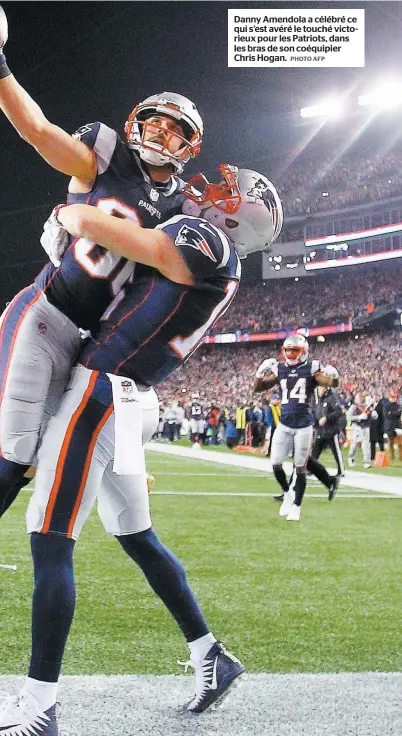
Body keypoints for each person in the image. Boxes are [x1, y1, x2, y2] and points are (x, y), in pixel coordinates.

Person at [0, 166, 283, 733]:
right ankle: (211, 656)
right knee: (137, 535)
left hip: (103, 392)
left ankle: (38, 707)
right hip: (129, 398)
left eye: (224, 191)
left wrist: (71, 213)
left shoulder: (207, 240)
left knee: (50, 535)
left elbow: (115, 234)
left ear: (237, 213)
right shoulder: (222, 256)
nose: (208, 189)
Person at [0, 8, 203, 515]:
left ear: (188, 145)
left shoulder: (188, 211)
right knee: (17, 450)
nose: (159, 132)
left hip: (91, 342)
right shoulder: (105, 155)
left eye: (172, 129)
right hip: (48, 311)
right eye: (153, 121)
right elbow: (37, 131)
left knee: (35, 459)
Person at [253, 334, 339, 521]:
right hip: (284, 423)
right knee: (276, 464)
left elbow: (330, 383)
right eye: (288, 350)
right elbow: (258, 388)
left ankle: (297, 507)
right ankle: (288, 493)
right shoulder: (280, 368)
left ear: (304, 351)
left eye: (294, 351)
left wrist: (334, 377)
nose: (290, 355)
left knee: (300, 466)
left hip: (304, 424)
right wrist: (260, 373)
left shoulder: (312, 368)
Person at [311, 384, 345, 478]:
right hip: (320, 431)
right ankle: (311, 470)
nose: (318, 391)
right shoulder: (317, 400)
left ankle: (341, 471)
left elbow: (339, 411)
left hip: (331, 431)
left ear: (325, 389)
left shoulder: (331, 398)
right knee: (315, 452)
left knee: (336, 452)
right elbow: (315, 412)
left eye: (320, 388)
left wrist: (327, 418)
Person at [347, 393, 377, 469]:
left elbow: (374, 416)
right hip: (356, 427)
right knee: (354, 444)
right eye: (362, 397)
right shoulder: (354, 406)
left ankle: (367, 462)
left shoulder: (368, 406)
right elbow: (348, 417)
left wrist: (374, 415)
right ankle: (351, 457)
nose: (363, 398)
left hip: (366, 427)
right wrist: (358, 417)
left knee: (366, 445)